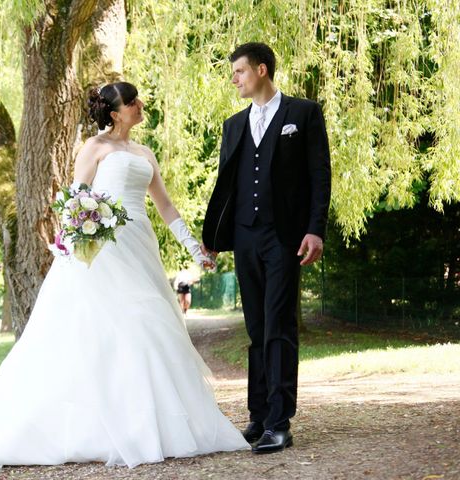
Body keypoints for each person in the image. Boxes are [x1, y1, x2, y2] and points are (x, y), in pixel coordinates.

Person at [0, 81, 248, 475]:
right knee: (115, 327)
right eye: (132, 102)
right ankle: (105, 427)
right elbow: (76, 202)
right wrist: (85, 231)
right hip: (101, 252)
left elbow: (165, 206)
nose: (140, 105)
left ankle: (155, 423)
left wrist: (195, 248)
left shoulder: (145, 154)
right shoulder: (95, 148)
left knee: (149, 322)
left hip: (139, 245)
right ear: (115, 113)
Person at [202, 42, 331, 454]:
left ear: (261, 70)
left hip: (285, 237)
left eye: (239, 71)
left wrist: (315, 230)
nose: (235, 79)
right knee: (256, 329)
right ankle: (257, 418)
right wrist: (215, 239)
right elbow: (227, 186)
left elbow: (319, 175)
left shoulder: (303, 114)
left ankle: (280, 422)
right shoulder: (233, 125)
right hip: (245, 237)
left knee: (278, 325)